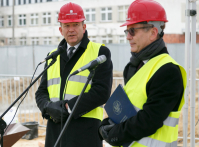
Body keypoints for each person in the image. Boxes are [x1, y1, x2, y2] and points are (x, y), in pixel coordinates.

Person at [99, 0, 187, 147]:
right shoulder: (133, 66)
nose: (128, 37)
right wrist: (107, 123)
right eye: (127, 31)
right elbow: (130, 107)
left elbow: (150, 119)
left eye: (133, 31)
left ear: (153, 32)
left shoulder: (168, 71)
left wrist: (115, 134)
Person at [35, 2, 113, 147]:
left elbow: (101, 92)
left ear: (84, 27)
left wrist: (66, 108)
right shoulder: (52, 56)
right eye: (67, 25)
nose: (71, 30)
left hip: (85, 133)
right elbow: (41, 92)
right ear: (60, 29)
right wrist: (47, 107)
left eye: (75, 24)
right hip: (55, 133)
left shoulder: (100, 52)